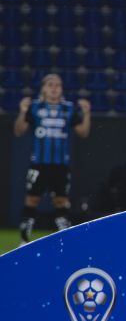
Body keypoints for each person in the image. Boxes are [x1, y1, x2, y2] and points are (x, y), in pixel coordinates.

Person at [13, 74, 91, 242]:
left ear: (62, 89)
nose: (54, 88)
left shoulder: (68, 109)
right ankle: (24, 240)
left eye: (58, 85)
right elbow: (19, 131)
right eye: (50, 84)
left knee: (61, 202)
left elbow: (83, 132)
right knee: (32, 200)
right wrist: (22, 111)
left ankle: (66, 240)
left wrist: (87, 113)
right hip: (39, 164)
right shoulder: (34, 107)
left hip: (60, 165)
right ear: (43, 88)